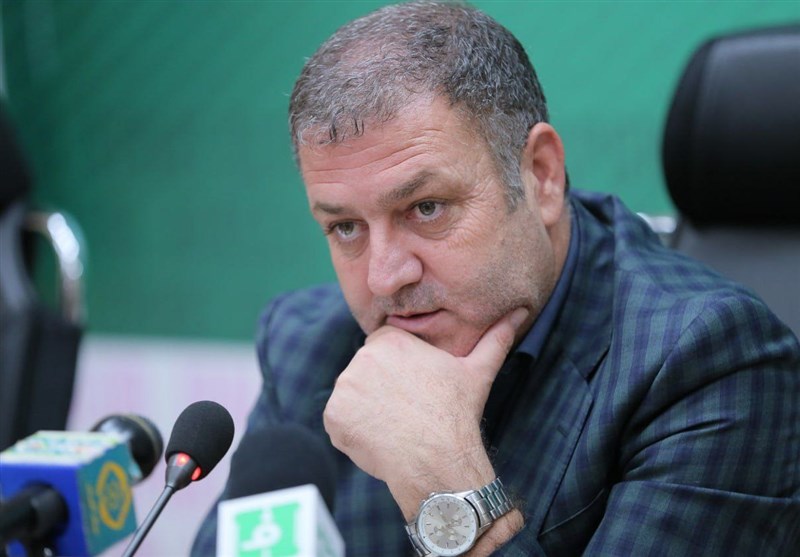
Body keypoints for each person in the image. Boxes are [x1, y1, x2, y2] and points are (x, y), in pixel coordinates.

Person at [192, 2, 800, 555]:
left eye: (426, 208)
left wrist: (447, 485)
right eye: (345, 227)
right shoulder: (307, 349)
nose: (384, 279)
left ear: (541, 176)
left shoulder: (709, 363)